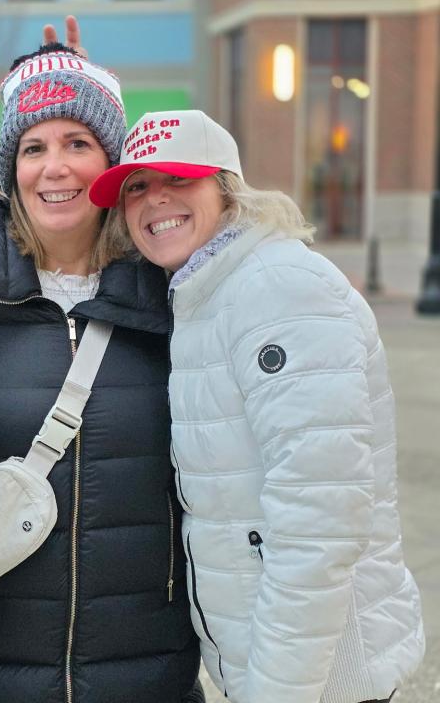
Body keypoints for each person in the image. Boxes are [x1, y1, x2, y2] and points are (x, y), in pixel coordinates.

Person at [89, 109, 425, 703]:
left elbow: (318, 523)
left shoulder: (276, 288)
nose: (155, 200)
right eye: (136, 187)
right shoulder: (206, 292)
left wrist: (277, 692)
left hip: (324, 676)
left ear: (226, 188)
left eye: (178, 178)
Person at [0, 47, 202, 703]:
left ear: (112, 165)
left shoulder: (173, 290)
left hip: (147, 669)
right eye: (33, 147)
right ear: (11, 169)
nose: (55, 167)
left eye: (78, 141)